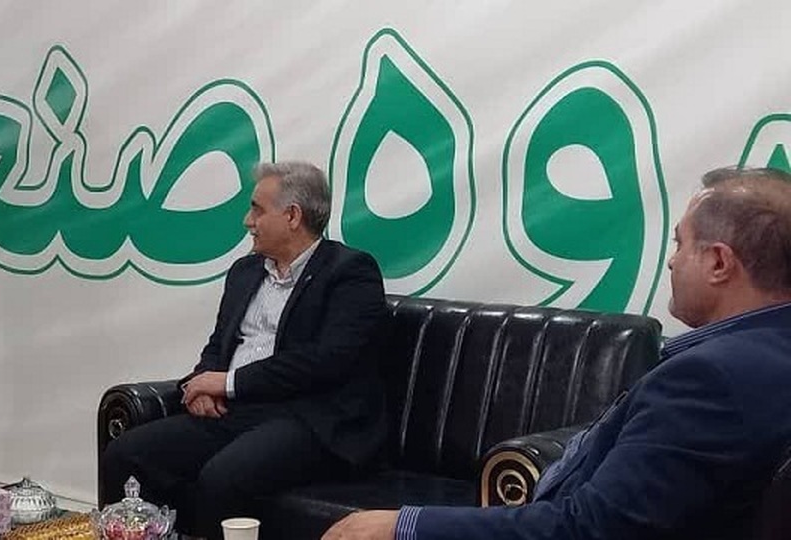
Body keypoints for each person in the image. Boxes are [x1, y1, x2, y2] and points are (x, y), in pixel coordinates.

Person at [323, 166, 791, 540]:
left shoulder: (709, 380)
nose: (671, 260)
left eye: (680, 243)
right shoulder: (764, 355)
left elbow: (587, 528)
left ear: (718, 263)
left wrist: (404, 526)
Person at [100, 161, 390, 539]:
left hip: (309, 418)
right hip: (237, 411)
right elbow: (219, 343)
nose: (247, 221)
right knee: (125, 454)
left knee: (223, 478)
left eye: (257, 209)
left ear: (292, 216)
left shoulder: (350, 272)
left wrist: (227, 382)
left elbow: (326, 361)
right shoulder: (246, 271)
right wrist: (201, 386)